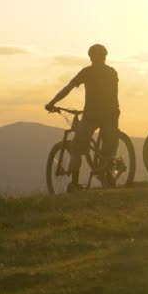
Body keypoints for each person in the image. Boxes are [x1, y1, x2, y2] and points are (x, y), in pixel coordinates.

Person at [45, 44, 120, 192]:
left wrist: (52, 103)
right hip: (110, 114)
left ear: (90, 57)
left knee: (76, 148)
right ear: (105, 56)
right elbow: (114, 96)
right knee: (108, 150)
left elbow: (68, 88)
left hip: (92, 115)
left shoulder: (87, 72)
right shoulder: (112, 72)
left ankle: (75, 184)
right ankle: (108, 175)